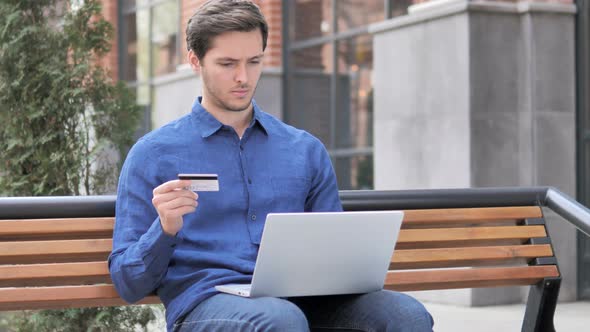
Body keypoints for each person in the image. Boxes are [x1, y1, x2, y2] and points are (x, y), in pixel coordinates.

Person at [108, 1, 434, 331]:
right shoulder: (153, 154)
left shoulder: (304, 150)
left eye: (254, 62)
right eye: (227, 63)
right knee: (280, 320)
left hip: (305, 302)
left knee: (406, 315)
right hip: (206, 303)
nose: (243, 77)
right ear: (195, 61)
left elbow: (333, 255)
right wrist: (164, 229)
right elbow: (127, 282)